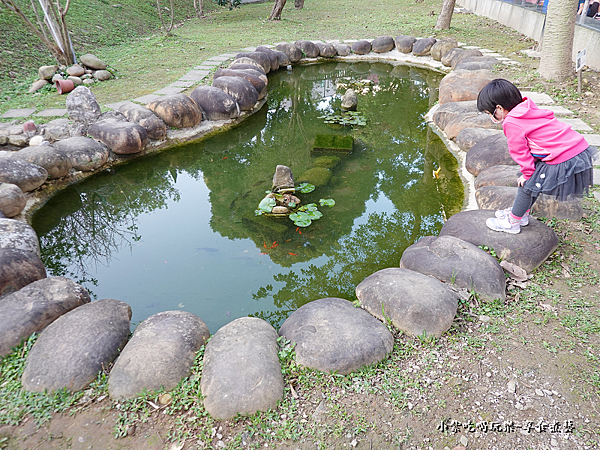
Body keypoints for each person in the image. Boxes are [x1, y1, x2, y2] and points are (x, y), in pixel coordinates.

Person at [476, 79, 598, 234]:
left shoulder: (512, 122)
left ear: (499, 108)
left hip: (564, 156)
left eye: (490, 113)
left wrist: (527, 174)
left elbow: (519, 151)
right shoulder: (526, 107)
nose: (491, 118)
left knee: (526, 185)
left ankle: (513, 222)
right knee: (530, 181)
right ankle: (522, 214)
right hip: (575, 148)